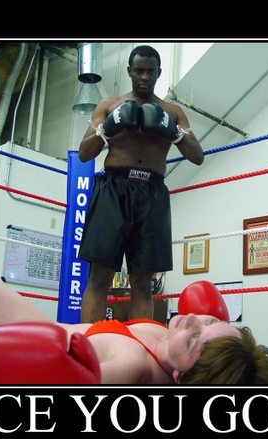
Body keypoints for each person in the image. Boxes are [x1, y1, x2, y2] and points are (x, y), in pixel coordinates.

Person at [0, 251, 268, 385]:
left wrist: (22, 366)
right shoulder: (169, 339)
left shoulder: (133, 366)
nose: (192, 320)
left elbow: (76, 384)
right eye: (210, 322)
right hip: (39, 327)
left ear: (181, 378)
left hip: (30, 348)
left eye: (194, 339)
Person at [77, 45, 205, 323]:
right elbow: (84, 153)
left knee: (143, 282)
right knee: (99, 276)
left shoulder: (173, 112)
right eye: (139, 71)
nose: (145, 77)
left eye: (150, 71)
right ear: (129, 71)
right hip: (113, 189)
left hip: (152, 193)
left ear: (159, 73)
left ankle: (140, 343)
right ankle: (89, 342)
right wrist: (107, 127)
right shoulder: (109, 105)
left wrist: (174, 133)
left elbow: (197, 156)